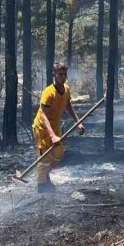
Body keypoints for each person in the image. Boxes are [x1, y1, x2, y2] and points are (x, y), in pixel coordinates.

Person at [32, 62, 84, 193]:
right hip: (42, 127)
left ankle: (45, 176)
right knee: (44, 157)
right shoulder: (48, 92)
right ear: (54, 75)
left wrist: (78, 122)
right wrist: (52, 135)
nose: (63, 77)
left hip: (54, 126)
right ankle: (41, 187)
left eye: (65, 74)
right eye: (60, 74)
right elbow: (43, 115)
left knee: (58, 154)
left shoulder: (66, 89)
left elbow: (68, 105)